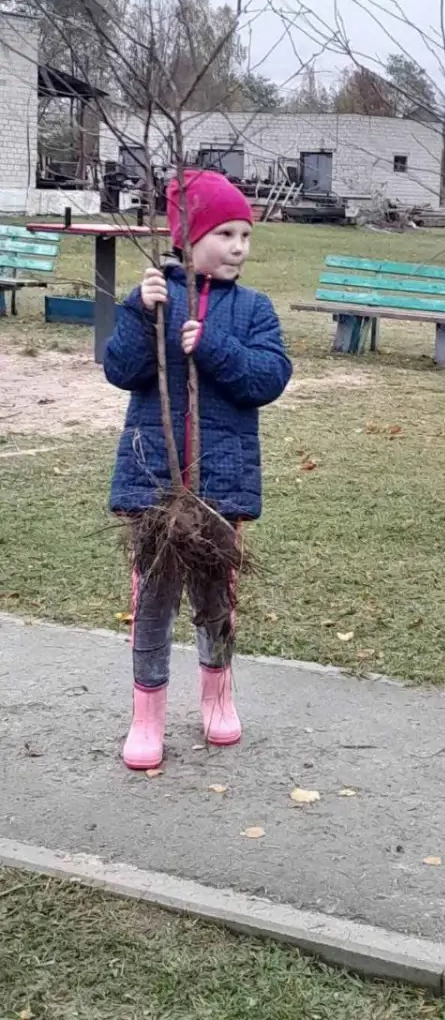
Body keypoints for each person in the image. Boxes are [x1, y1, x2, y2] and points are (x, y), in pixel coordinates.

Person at [104, 169, 293, 770]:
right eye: (225, 233)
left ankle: (217, 697)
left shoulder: (254, 309)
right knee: (153, 599)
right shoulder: (156, 297)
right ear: (189, 237)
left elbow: (268, 378)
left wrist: (211, 344)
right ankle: (148, 713)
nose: (239, 246)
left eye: (246, 235)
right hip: (154, 483)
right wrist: (139, 312)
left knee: (217, 597)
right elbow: (121, 371)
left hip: (221, 484)